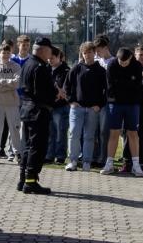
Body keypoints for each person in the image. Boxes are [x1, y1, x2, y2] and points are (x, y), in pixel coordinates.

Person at [17, 37, 58, 194]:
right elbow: (42, 92)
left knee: (27, 146)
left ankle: (23, 179)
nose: (50, 53)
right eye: (49, 50)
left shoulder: (28, 63)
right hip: (38, 112)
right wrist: (56, 95)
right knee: (37, 147)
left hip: (27, 110)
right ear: (43, 50)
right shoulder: (40, 67)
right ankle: (31, 181)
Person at [101, 47, 143, 177]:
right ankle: (109, 164)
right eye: (120, 62)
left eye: (125, 62)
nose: (122, 64)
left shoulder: (137, 66)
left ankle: (136, 165)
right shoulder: (112, 65)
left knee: (133, 133)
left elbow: (137, 86)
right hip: (115, 103)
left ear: (131, 58)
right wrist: (127, 85)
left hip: (132, 104)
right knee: (114, 132)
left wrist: (124, 86)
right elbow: (110, 86)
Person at [65, 41, 108, 171]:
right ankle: (73, 161)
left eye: (89, 52)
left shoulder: (101, 71)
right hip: (76, 108)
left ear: (94, 53)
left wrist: (99, 105)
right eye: (84, 53)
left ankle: (86, 162)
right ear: (82, 54)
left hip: (93, 110)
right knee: (74, 134)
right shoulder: (76, 68)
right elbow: (67, 86)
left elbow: (107, 90)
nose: (87, 55)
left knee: (89, 136)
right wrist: (71, 101)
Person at [118, 43, 143, 173]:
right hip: (130, 105)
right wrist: (135, 84)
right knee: (128, 132)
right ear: (135, 55)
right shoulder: (130, 67)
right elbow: (124, 84)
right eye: (140, 55)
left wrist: (134, 84)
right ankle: (127, 163)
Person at [90, 34, 113, 166]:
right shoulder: (96, 61)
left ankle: (103, 158)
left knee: (104, 132)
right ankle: (94, 156)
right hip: (94, 101)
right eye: (96, 51)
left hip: (107, 102)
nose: (97, 53)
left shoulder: (113, 62)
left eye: (99, 50)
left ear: (106, 48)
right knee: (93, 130)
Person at [47, 46, 71, 164]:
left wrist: (59, 91)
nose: (49, 60)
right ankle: (49, 155)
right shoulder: (46, 69)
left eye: (52, 58)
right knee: (50, 132)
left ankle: (60, 156)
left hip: (61, 107)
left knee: (61, 132)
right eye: (48, 58)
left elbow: (64, 88)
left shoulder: (66, 71)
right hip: (48, 106)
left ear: (59, 57)